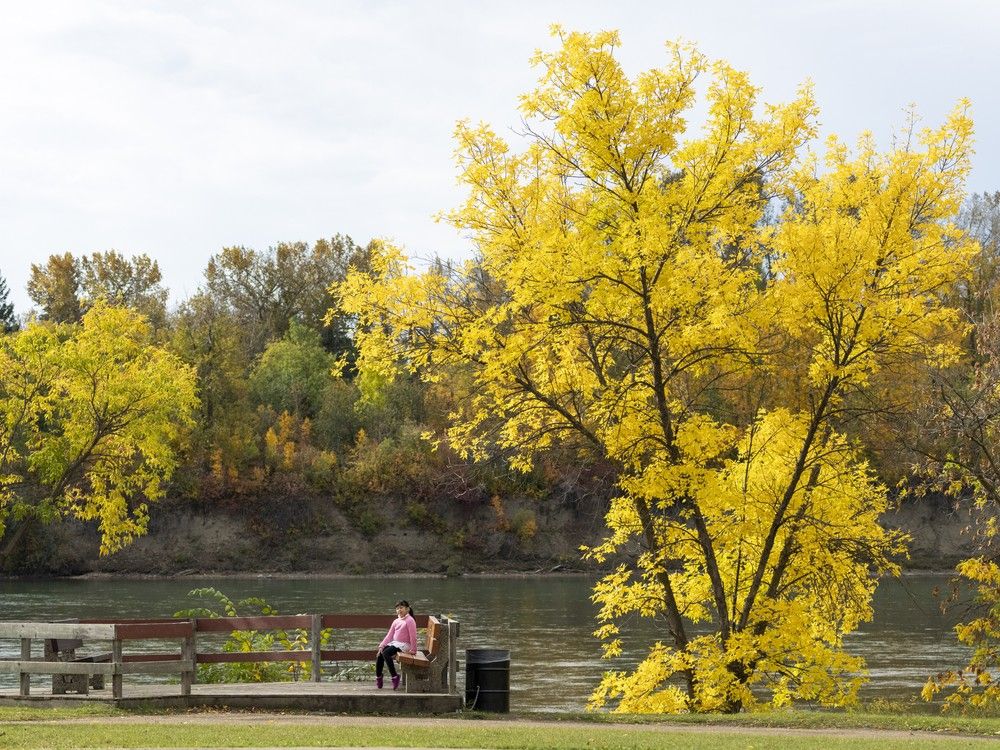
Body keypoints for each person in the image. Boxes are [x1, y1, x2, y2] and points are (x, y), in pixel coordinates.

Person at [375, 599, 417, 689]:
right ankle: (379, 677)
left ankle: (394, 676)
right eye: (397, 608)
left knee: (386, 653)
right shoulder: (396, 621)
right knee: (380, 653)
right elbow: (389, 636)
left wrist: (413, 650)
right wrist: (381, 646)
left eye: (401, 608)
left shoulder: (410, 620)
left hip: (405, 645)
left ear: (407, 609)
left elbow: (413, 637)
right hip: (396, 643)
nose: (399, 610)